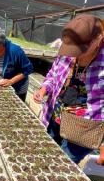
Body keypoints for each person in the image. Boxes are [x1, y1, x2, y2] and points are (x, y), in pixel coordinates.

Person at [34, 14, 104, 165]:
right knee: (47, 153)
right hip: (56, 114)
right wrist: (44, 89)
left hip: (84, 127)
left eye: (80, 49)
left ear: (98, 39)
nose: (74, 54)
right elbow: (54, 73)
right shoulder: (67, 48)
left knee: (64, 165)